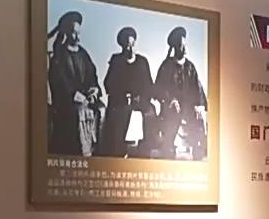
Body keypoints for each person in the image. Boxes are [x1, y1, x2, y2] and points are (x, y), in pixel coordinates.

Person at [46, 10, 101, 156]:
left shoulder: (83, 54)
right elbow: (59, 81)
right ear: (66, 33)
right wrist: (75, 95)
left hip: (85, 98)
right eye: (73, 33)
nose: (77, 37)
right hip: (67, 102)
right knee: (78, 112)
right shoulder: (59, 55)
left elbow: (92, 75)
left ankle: (96, 152)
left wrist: (94, 90)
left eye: (78, 33)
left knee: (101, 109)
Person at [153, 26, 208, 160]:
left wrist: (198, 105)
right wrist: (170, 100)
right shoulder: (166, 66)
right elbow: (159, 88)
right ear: (175, 48)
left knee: (198, 119)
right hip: (171, 107)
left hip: (188, 108)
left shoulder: (190, 67)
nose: (183, 48)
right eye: (180, 46)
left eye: (184, 45)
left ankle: (198, 152)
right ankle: (169, 149)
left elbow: (197, 88)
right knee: (170, 122)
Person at [100, 26, 155, 158]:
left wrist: (140, 97)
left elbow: (149, 86)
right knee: (119, 115)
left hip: (139, 101)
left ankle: (145, 150)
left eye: (132, 45)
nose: (130, 49)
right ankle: (119, 151)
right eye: (127, 46)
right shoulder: (116, 60)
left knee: (150, 111)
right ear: (122, 47)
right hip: (121, 102)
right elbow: (108, 84)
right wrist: (124, 95)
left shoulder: (142, 61)